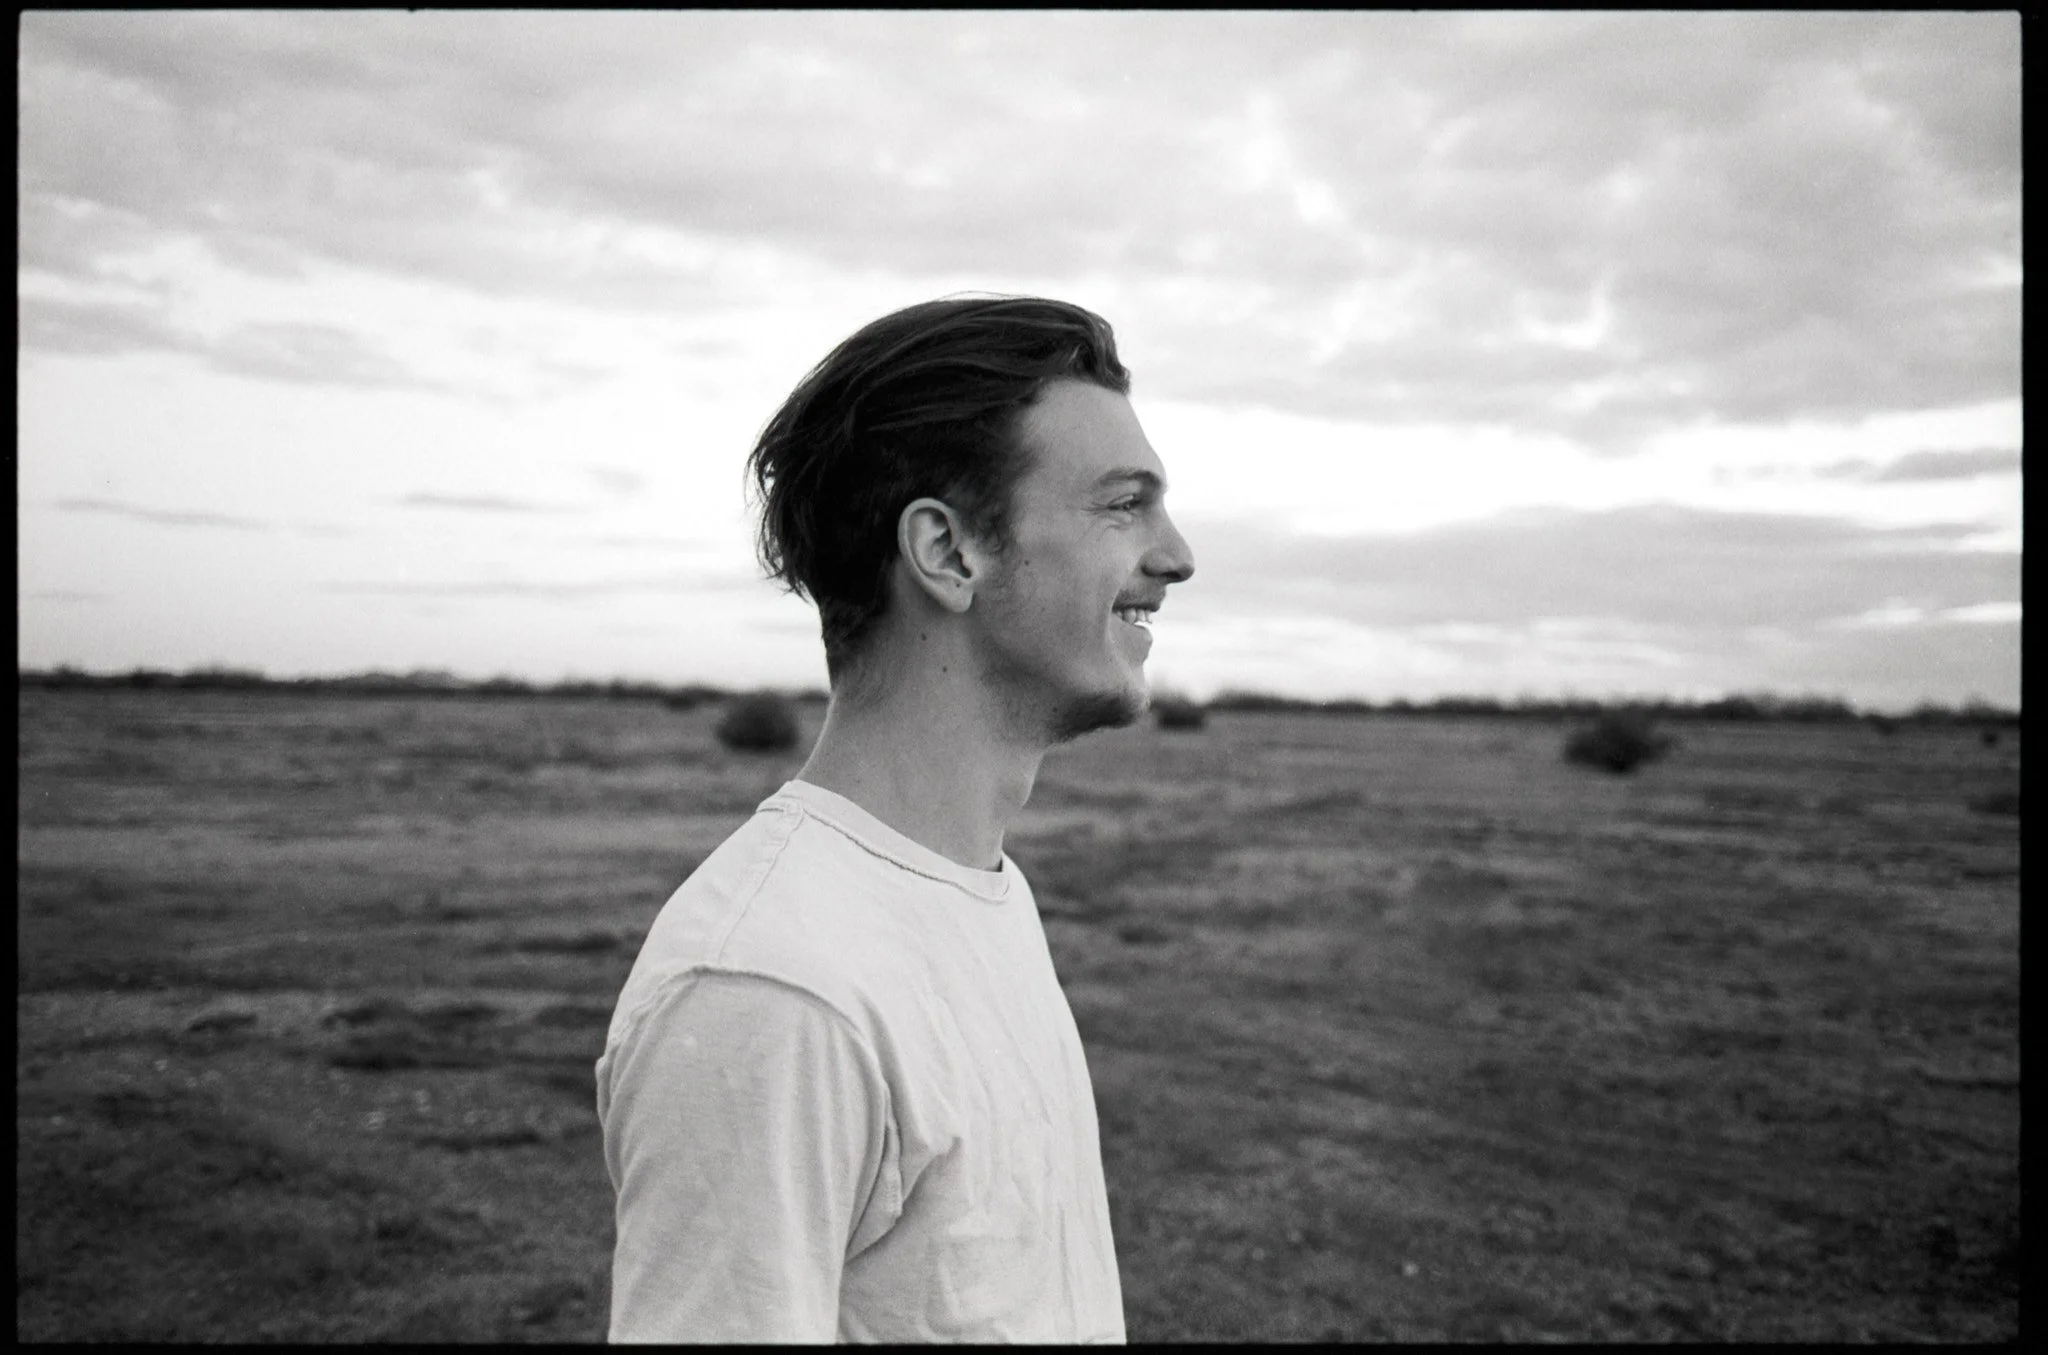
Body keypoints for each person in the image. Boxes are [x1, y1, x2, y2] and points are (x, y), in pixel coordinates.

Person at [596, 295, 1195, 1343]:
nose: (1176, 554)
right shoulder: (774, 990)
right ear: (948, 552)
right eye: (1120, 505)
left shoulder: (975, 889)